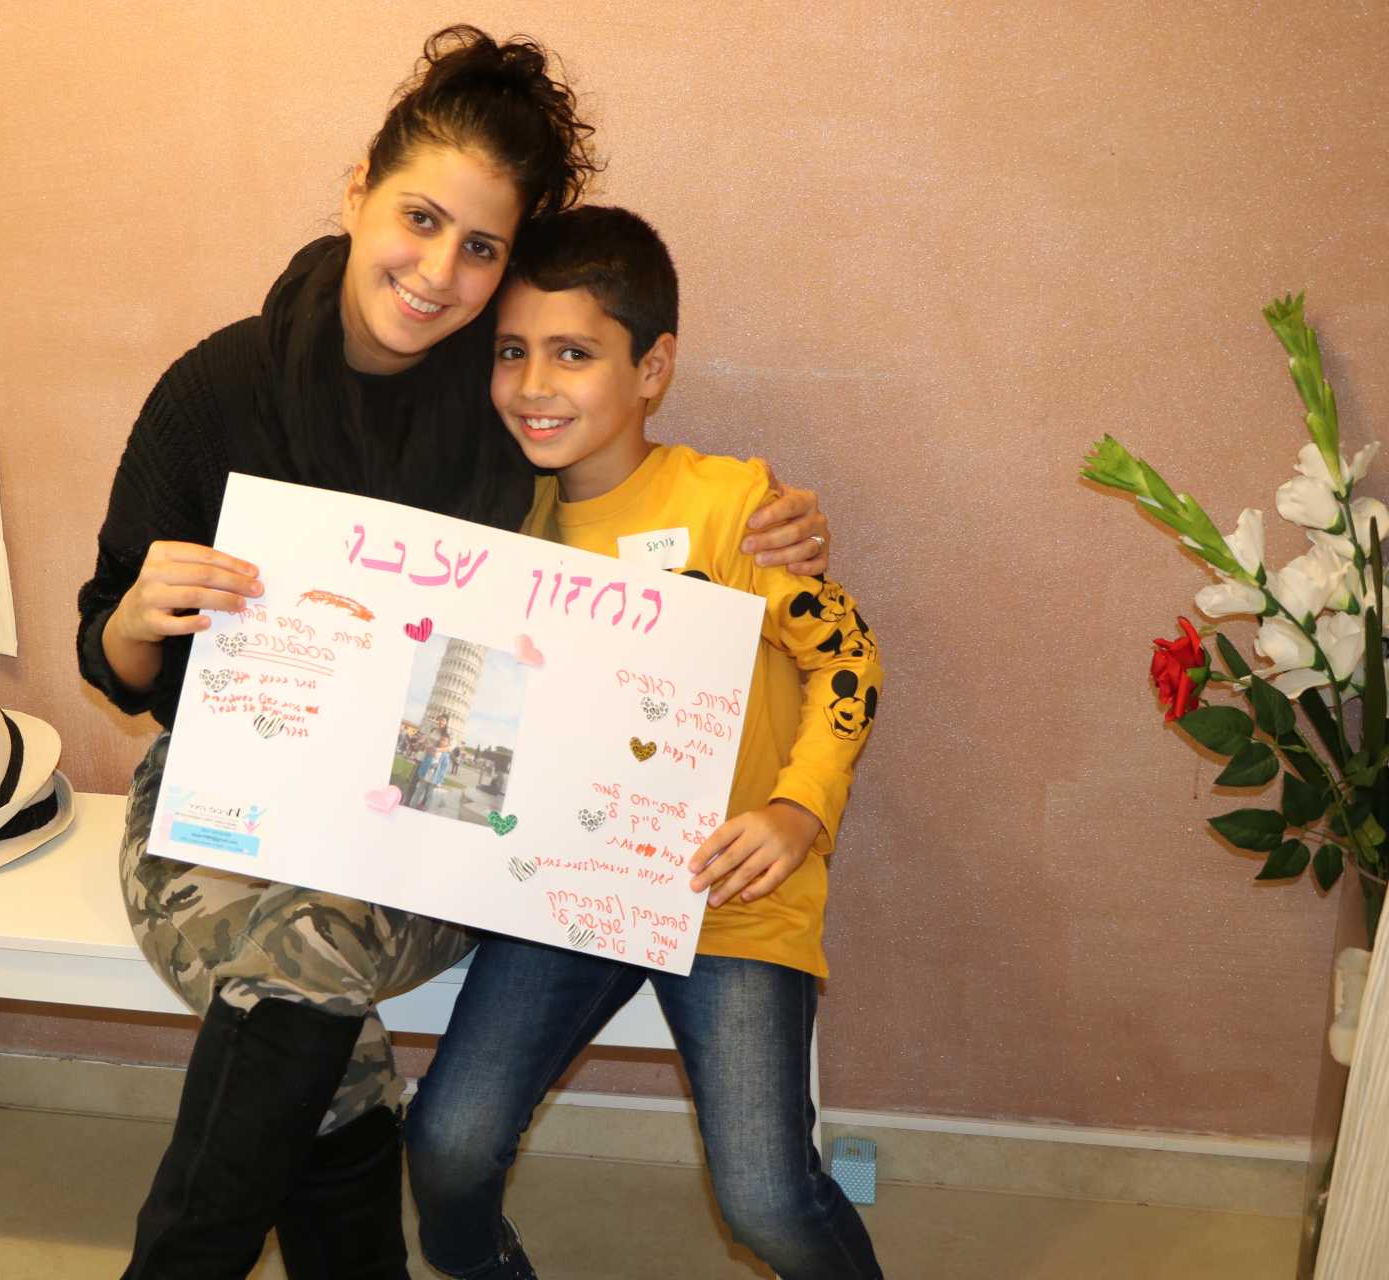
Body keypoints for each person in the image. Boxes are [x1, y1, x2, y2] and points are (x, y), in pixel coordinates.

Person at [76, 29, 832, 1279]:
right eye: (420, 219)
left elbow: (618, 531)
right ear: (357, 191)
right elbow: (111, 661)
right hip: (229, 784)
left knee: (299, 959)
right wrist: (136, 616)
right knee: (307, 999)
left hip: (433, 805)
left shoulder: (502, 409)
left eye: (481, 247)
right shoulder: (219, 387)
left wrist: (768, 525)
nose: (438, 271)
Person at [404, 207, 885, 1279]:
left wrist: (798, 809)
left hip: (733, 897)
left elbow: (850, 660)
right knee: (444, 1143)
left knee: (767, 1198)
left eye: (574, 353)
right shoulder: (496, 521)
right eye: (512, 352)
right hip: (563, 892)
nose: (535, 385)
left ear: (652, 368)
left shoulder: (732, 506)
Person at [410, 733, 454, 809]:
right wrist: (421, 772)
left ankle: (426, 809)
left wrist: (439, 781)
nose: (442, 741)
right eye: (441, 739)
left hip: (434, 778)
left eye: (445, 741)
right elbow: (425, 761)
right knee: (419, 791)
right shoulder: (432, 749)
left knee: (430, 794)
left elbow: (443, 770)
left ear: (448, 744)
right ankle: (412, 806)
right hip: (425, 775)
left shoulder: (446, 756)